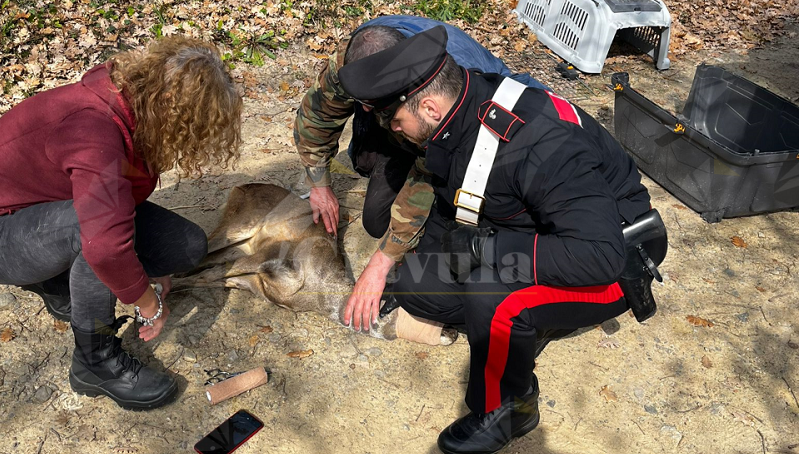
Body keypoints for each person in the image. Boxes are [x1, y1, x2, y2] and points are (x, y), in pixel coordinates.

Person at [337, 26, 665, 453]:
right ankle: (528, 321)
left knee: (490, 294)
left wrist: (484, 250)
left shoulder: (537, 143)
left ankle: (510, 406)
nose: (396, 132)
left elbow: (599, 255)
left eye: (396, 122)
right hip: (539, 233)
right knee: (416, 283)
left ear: (431, 107)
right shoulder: (461, 109)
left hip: (615, 258)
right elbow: (449, 198)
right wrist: (398, 266)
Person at [0, 36, 243, 410]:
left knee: (186, 246)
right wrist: (148, 304)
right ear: (171, 108)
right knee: (93, 237)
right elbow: (106, 245)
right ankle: (94, 362)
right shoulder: (92, 128)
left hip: (41, 211)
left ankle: (54, 282)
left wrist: (149, 266)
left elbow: (118, 200)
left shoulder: (134, 105)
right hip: (7, 234)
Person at [294, 15, 548, 243]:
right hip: (414, 113)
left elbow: (430, 168)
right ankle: (401, 146)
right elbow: (316, 116)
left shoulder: (446, 90)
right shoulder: (353, 59)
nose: (368, 112)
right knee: (366, 168)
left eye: (377, 104)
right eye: (366, 102)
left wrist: (389, 255)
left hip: (474, 135)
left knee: (433, 222)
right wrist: (319, 184)